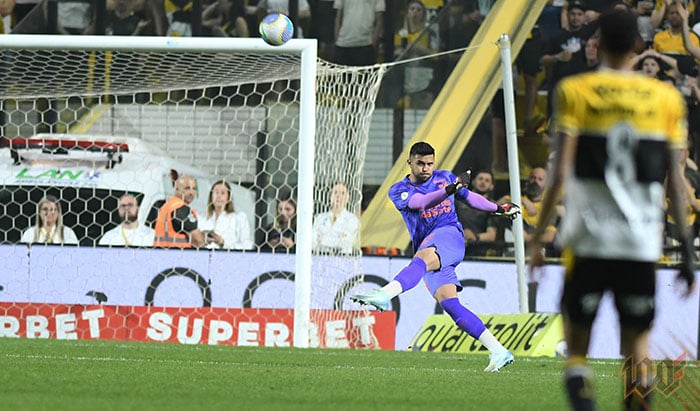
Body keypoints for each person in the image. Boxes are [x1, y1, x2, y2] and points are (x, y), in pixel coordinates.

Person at [528, 9, 696, 410]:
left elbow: (560, 173)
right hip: (639, 239)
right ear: (639, 47)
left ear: (597, 43)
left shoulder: (575, 91)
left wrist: (536, 238)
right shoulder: (666, 98)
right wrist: (687, 250)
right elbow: (675, 179)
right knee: (637, 346)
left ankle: (579, 384)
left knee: (578, 347)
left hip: (588, 236)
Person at [350, 142, 521, 372]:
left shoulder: (444, 178)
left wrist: (498, 209)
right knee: (449, 303)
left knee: (421, 259)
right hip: (428, 244)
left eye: (430, 163)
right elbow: (421, 203)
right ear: (409, 162)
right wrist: (450, 189)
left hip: (450, 236)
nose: (426, 168)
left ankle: (385, 293)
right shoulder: (399, 190)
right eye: (420, 163)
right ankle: (498, 350)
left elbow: (470, 198)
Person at [454, 170, 502, 256]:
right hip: (455, 247)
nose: (483, 182)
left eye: (487, 180)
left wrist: (474, 237)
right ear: (473, 182)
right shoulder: (457, 201)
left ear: (492, 186)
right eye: (480, 179)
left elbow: (491, 235)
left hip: (479, 253)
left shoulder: (494, 207)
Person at [153, 175, 206, 248]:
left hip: (161, 254)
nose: (191, 192)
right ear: (177, 189)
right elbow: (198, 240)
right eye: (187, 188)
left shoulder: (168, 205)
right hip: (177, 255)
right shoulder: (180, 208)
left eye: (194, 189)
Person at [199, 180, 253, 250]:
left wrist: (223, 243)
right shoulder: (203, 219)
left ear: (228, 197)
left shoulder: (238, 218)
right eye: (216, 192)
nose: (218, 196)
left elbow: (247, 246)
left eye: (222, 193)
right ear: (211, 196)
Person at [332, 0, 385, 66]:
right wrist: (337, 39)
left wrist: (372, 42)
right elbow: (338, 17)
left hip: (365, 44)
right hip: (343, 44)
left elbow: (379, 20)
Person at [312, 182, 360, 254]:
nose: (338, 196)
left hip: (343, 259)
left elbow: (346, 243)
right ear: (330, 196)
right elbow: (312, 242)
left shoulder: (352, 219)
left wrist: (322, 239)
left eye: (342, 193)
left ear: (348, 197)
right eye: (335, 192)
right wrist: (337, 237)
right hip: (320, 258)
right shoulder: (320, 218)